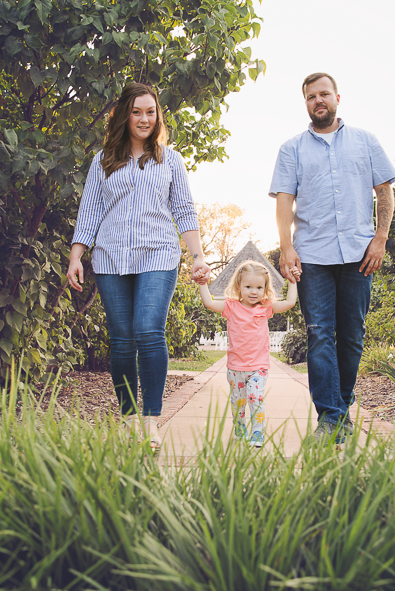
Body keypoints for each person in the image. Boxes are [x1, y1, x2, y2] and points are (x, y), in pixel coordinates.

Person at [66, 82, 209, 451]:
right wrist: (76, 256)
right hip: (112, 257)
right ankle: (129, 418)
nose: (145, 119)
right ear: (124, 116)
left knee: (147, 330)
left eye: (151, 111)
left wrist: (198, 256)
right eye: (137, 111)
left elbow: (183, 210)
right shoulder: (103, 160)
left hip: (158, 253)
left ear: (158, 116)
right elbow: (90, 211)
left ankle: (151, 421)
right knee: (122, 341)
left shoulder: (170, 159)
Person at [268, 73, 395, 444]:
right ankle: (330, 418)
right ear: (306, 103)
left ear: (337, 97)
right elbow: (283, 203)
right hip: (312, 255)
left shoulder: (365, 141)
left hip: (360, 254)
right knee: (319, 333)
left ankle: (339, 408)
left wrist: (381, 238)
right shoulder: (291, 149)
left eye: (324, 94)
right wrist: (286, 246)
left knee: (352, 337)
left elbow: (384, 192)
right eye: (311, 96)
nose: (318, 100)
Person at [195, 261, 298, 446]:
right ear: (239, 287)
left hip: (258, 366)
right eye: (248, 286)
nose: (253, 291)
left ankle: (257, 433)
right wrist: (203, 284)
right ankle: (240, 429)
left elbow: (290, 302)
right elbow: (209, 302)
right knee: (238, 402)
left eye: (259, 287)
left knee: (255, 398)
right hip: (235, 367)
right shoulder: (231, 307)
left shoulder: (265, 307)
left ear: (265, 288)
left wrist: (292, 280)